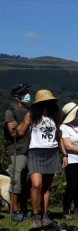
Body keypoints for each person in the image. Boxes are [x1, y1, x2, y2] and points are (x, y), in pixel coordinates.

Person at [27, 89, 67, 227]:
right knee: (36, 185)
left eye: (49, 101)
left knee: (47, 187)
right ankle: (36, 215)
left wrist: (64, 154)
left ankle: (44, 214)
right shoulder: (32, 116)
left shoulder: (55, 117)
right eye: (44, 101)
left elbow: (59, 137)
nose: (47, 103)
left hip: (52, 151)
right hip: (35, 151)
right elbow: (21, 131)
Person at [3, 83, 32, 221]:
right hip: (19, 150)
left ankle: (24, 208)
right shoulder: (11, 112)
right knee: (17, 181)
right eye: (24, 92)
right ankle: (14, 210)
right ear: (17, 97)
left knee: (27, 182)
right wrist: (25, 122)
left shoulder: (32, 110)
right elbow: (13, 133)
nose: (27, 94)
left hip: (32, 151)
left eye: (27, 91)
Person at [60, 102, 78, 221]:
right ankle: (66, 209)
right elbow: (68, 145)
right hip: (72, 160)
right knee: (72, 184)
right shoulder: (64, 127)